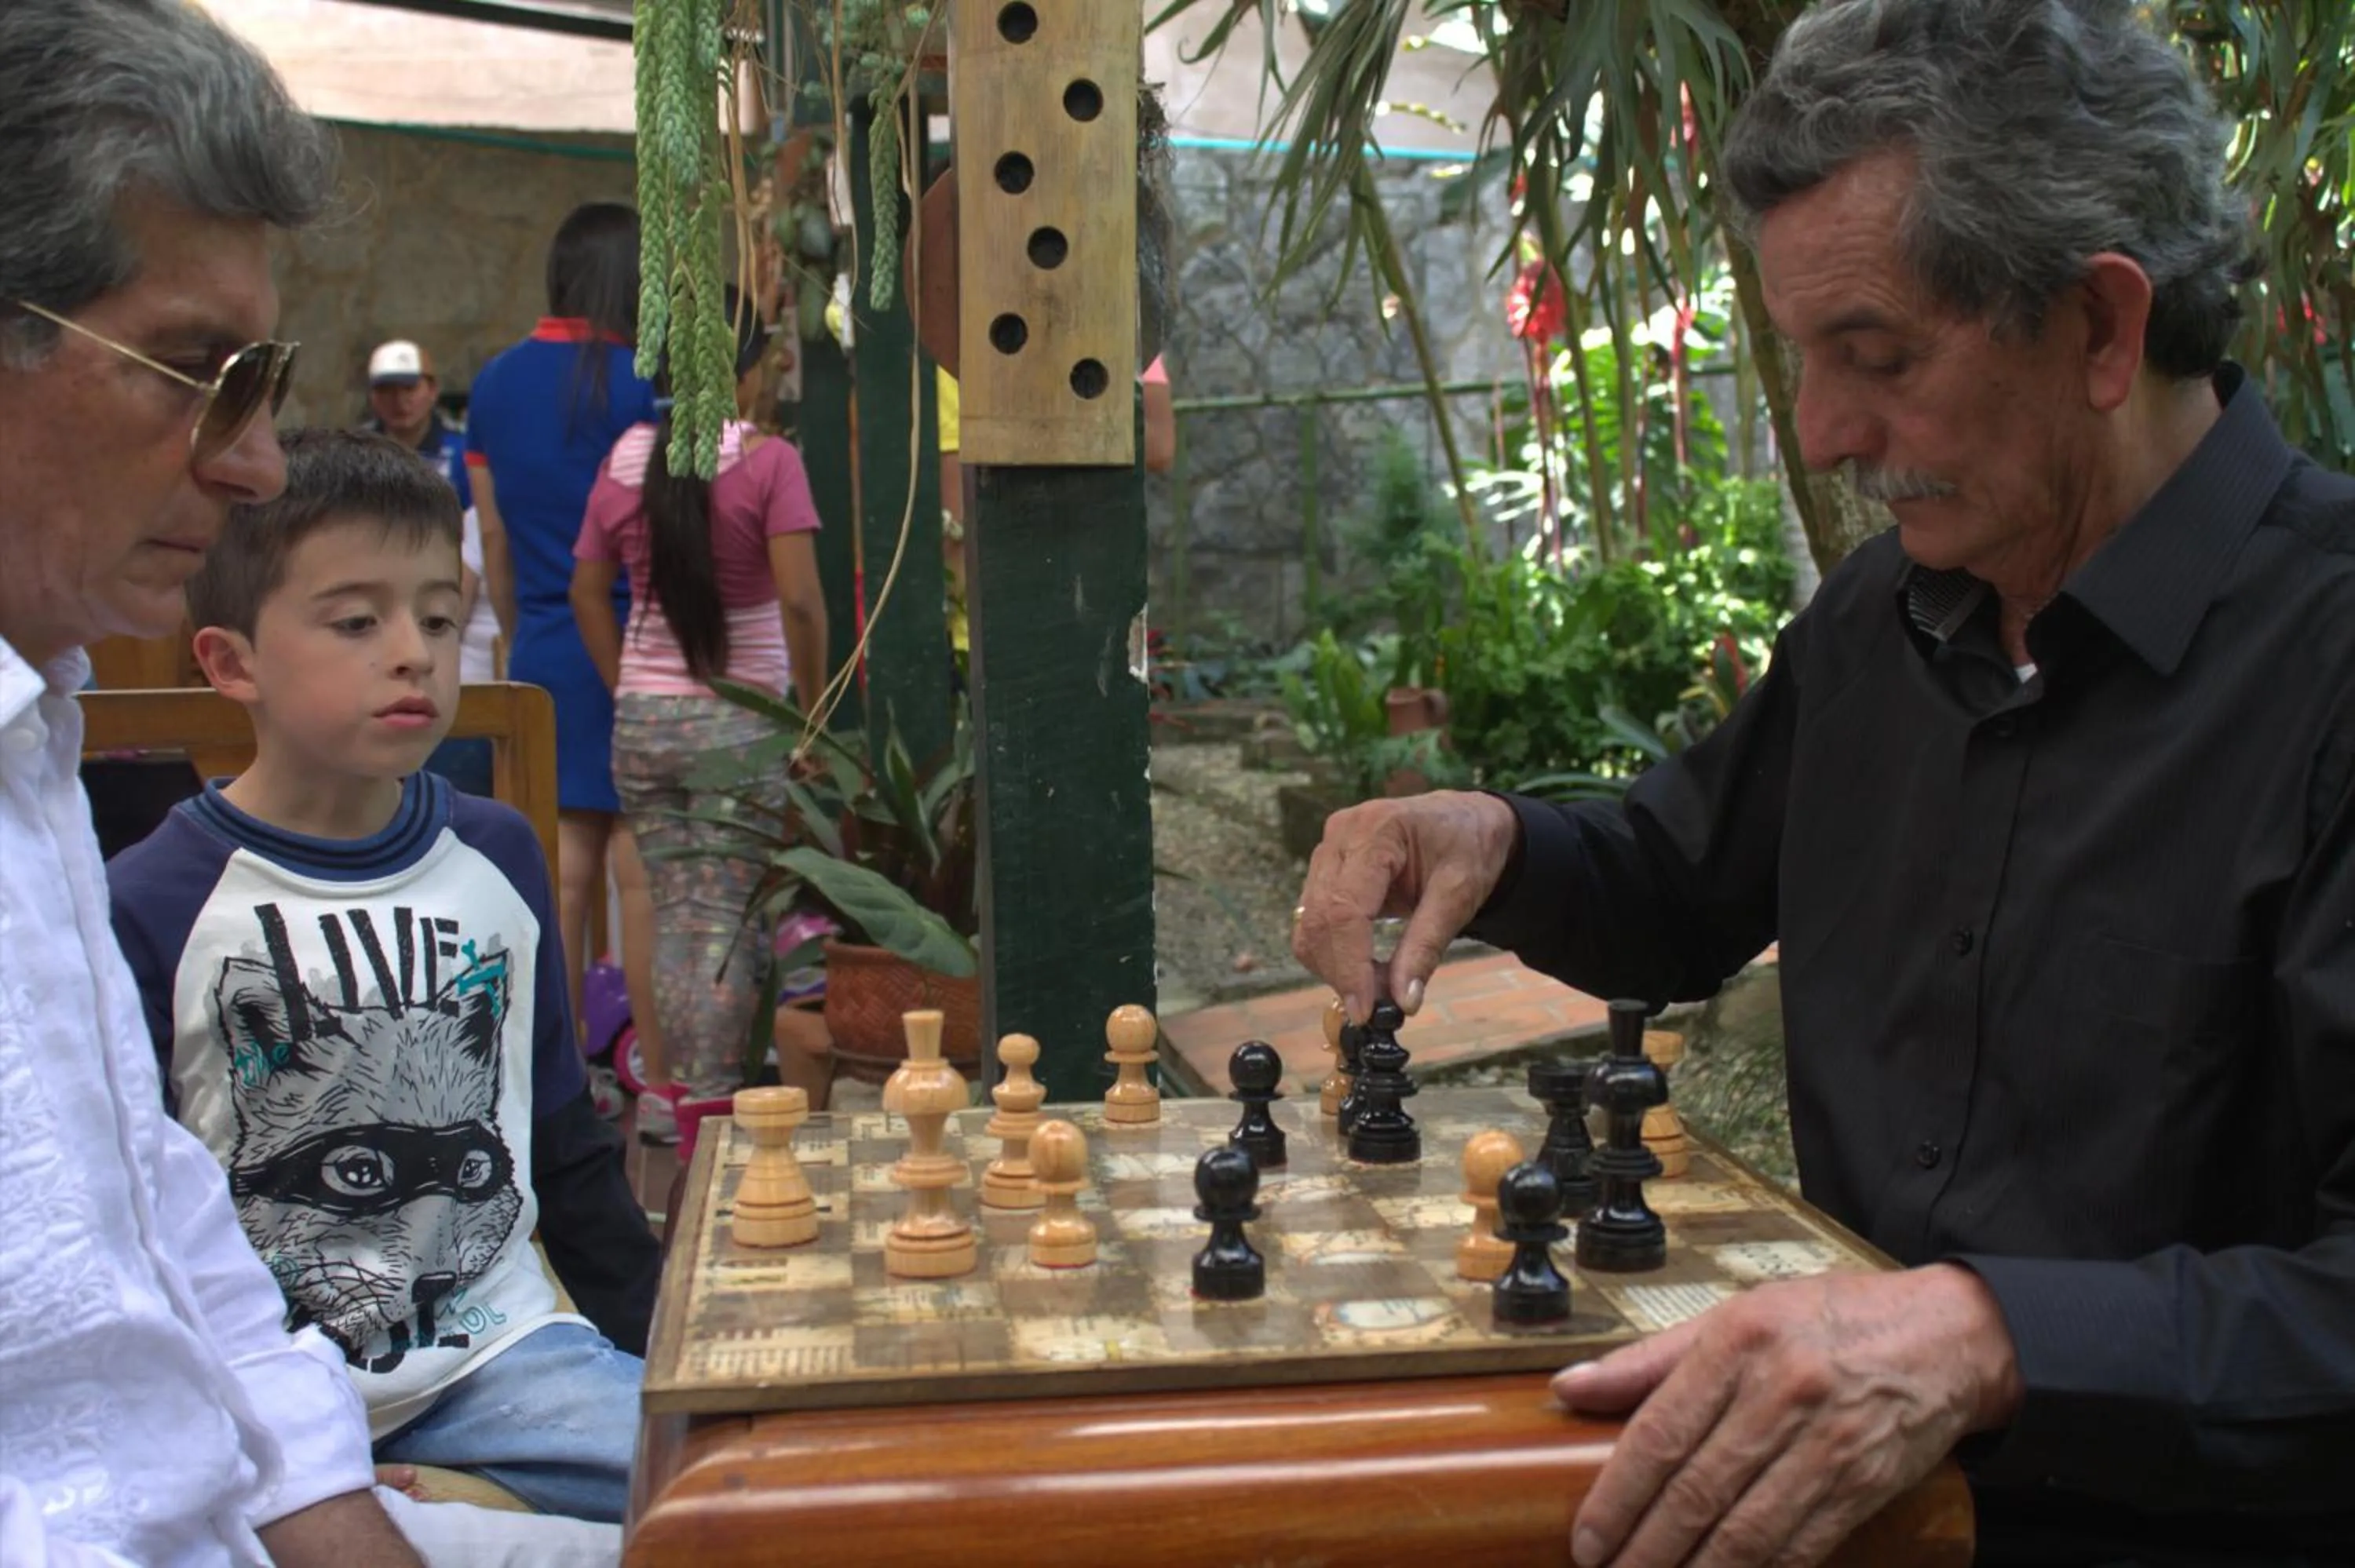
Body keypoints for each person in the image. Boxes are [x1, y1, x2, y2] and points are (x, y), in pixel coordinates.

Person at [1289, 2, 2355, 1564]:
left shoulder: (2329, 665)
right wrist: (1491, 841)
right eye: (1802, 358)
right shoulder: (1888, 616)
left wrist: (1993, 1338)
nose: (1825, 430)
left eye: (1877, 358)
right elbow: (1680, 885)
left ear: (2105, 329)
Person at [0, 3, 611, 1562]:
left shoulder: (37, 750)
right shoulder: (159, 878)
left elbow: (149, 1198)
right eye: (196, 371)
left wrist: (324, 1499)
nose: (255, 465)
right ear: (234, 663)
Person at [106, 430, 660, 1526]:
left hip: (499, 1364)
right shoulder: (152, 898)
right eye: (357, 621)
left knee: (735, 1495)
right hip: (257, 1395)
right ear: (230, 662)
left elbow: (562, 1139)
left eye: (441, 617)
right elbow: (127, 1222)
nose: (413, 652)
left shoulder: (496, 855)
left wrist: (673, 1362)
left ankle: (474, 1482)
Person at [571, 308, 829, 1143]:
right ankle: (714, 1129)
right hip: (739, 725)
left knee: (680, 917)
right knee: (723, 921)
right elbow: (799, 601)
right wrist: (813, 716)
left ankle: (678, 1105)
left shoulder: (623, 461)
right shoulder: (768, 462)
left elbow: (586, 590)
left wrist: (629, 688)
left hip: (644, 724)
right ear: (744, 370)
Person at [464, 203, 669, 1102]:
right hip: (644, 643)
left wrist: (517, 635)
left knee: (560, 865)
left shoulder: (493, 383)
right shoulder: (644, 384)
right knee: (642, 866)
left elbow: (496, 537)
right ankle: (665, 1083)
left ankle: (557, 1085)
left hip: (545, 640)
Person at [363, 338, 472, 512]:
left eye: (409, 388)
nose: (399, 400)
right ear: (372, 396)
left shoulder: (463, 450)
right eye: (387, 390)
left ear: (433, 390)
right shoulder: (356, 452)